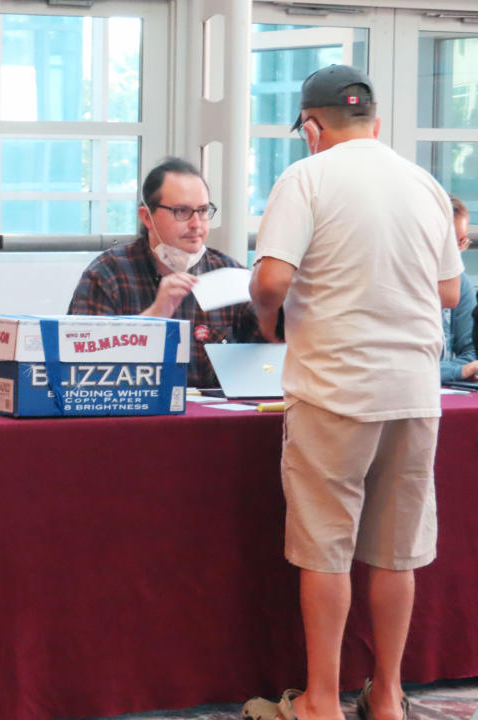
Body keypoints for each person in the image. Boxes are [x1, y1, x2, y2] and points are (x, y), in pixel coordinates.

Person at [244, 65, 461, 720]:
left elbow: (271, 279)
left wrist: (265, 323)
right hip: (417, 393)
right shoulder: (425, 184)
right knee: (397, 555)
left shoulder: (305, 178)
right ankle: (389, 697)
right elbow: (450, 293)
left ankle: (320, 702)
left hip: (335, 389)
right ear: (376, 122)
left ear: (311, 128)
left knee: (326, 548)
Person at [67, 157, 261, 387]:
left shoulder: (229, 274)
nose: (196, 224)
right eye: (181, 211)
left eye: (202, 211)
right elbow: (77, 364)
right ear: (147, 217)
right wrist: (154, 317)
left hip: (213, 418)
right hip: (133, 417)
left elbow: (267, 361)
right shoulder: (108, 274)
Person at [440, 195, 476, 383]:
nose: (456, 254)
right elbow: (401, 371)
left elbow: (473, 353)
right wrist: (457, 372)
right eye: (449, 243)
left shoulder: (460, 280)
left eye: (461, 242)